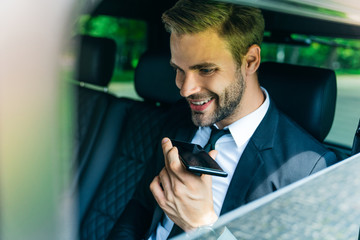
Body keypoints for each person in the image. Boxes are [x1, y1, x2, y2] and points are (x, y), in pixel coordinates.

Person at [107, 0, 337, 239]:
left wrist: (203, 228)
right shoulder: (179, 116)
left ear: (250, 61)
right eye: (178, 69)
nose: (185, 90)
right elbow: (141, 206)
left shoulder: (307, 170)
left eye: (205, 70)